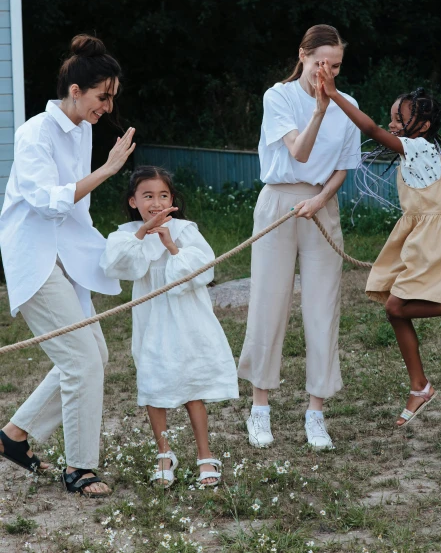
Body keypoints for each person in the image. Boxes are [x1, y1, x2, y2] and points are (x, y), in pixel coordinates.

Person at [316, 65, 441, 427]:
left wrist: (334, 95)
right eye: (392, 117)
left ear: (422, 127)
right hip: (428, 237)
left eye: (400, 118)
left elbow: (368, 129)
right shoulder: (428, 153)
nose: (392, 123)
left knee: (397, 304)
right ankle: (420, 386)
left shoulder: (414, 147)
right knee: (394, 309)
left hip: (430, 240)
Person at [0, 34, 135, 497]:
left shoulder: (83, 130)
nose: (108, 106)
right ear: (75, 90)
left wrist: (112, 246)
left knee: (94, 356)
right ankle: (80, 469)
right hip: (32, 257)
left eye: (112, 97)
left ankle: (13, 438)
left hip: (66, 258)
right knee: (80, 361)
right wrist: (107, 171)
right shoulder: (35, 131)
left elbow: (78, 214)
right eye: (103, 96)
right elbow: (45, 203)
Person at [238, 24, 361, 451]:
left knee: (322, 308)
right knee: (268, 304)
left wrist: (321, 199)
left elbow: (344, 166)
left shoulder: (350, 105)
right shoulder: (280, 97)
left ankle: (316, 414)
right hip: (278, 202)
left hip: (321, 206)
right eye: (320, 63)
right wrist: (320, 109)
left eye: (336, 65)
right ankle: (259, 410)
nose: (326, 72)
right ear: (303, 57)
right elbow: (299, 152)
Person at [100, 165, 238, 487]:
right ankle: (165, 454)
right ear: (134, 201)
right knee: (154, 383)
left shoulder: (185, 230)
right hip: (152, 321)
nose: (156, 202)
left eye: (163, 195)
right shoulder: (125, 235)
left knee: (192, 386)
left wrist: (171, 246)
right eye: (148, 196)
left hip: (185, 320)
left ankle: (205, 455)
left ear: (172, 199)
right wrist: (142, 233)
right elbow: (117, 266)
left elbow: (203, 272)